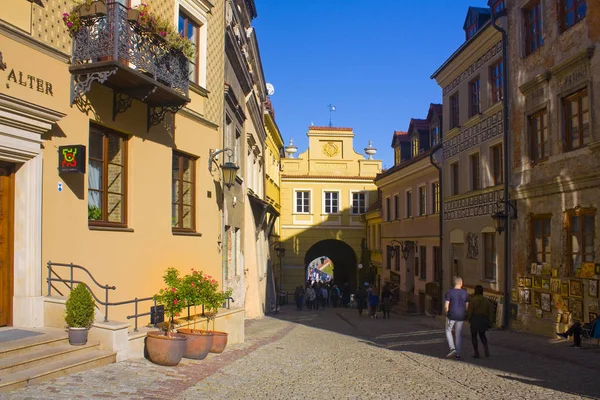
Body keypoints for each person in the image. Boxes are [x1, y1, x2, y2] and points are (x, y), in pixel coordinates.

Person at [444, 276, 469, 360]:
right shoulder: (465, 293)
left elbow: (446, 306)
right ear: (461, 284)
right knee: (458, 334)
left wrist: (447, 313)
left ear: (453, 284)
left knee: (448, 330)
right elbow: (467, 306)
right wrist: (464, 313)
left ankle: (452, 348)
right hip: (461, 316)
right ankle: (457, 355)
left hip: (451, 315)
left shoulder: (449, 292)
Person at [466, 285, 492, 358]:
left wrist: (468, 318)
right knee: (482, 335)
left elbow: (470, 311)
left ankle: (476, 353)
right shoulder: (486, 300)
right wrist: (490, 322)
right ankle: (486, 351)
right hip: (483, 319)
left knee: (474, 336)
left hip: (475, 319)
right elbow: (490, 312)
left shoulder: (473, 300)